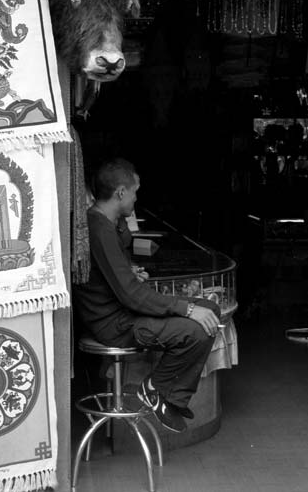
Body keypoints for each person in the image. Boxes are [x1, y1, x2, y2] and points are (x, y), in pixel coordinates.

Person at [73, 158, 221, 433]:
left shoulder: (107, 222)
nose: (136, 198)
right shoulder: (99, 229)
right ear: (120, 193)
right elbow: (131, 295)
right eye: (135, 192)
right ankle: (156, 389)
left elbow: (116, 271)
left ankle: (166, 394)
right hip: (114, 323)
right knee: (197, 330)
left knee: (210, 310)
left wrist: (128, 268)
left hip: (123, 311)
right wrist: (187, 309)